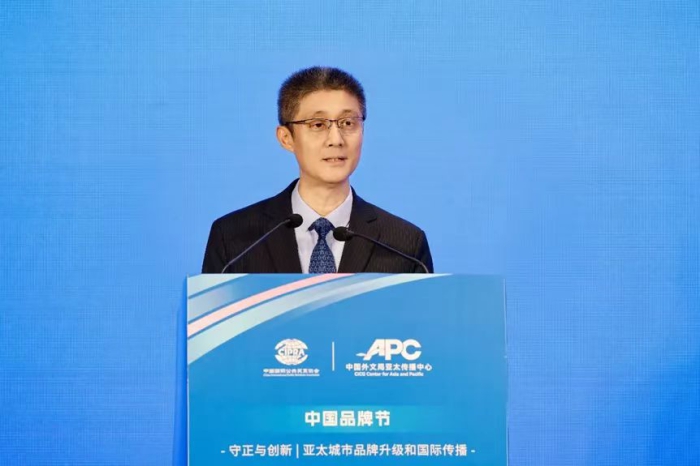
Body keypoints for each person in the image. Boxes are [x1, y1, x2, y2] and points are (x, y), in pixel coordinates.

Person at [202, 66, 433, 274]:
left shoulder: (405, 246)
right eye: (318, 125)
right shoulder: (234, 238)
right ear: (286, 138)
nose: (336, 139)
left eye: (348, 123)